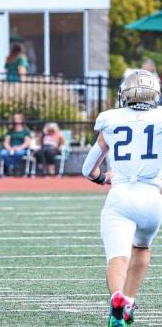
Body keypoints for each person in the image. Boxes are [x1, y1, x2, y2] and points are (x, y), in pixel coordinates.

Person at [81, 70, 162, 327]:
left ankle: (118, 298)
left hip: (121, 195)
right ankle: (128, 303)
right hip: (151, 197)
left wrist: (103, 178)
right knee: (141, 248)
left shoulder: (111, 120)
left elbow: (88, 169)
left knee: (118, 256)